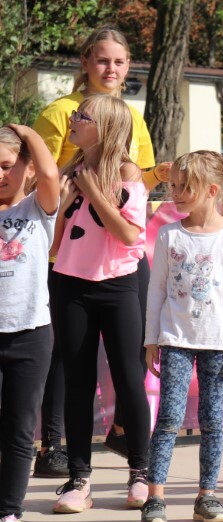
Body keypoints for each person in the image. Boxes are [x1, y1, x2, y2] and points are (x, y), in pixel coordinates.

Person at [31, 26, 171, 478]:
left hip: (119, 260)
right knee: (66, 358)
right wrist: (71, 197)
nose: (111, 69)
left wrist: (154, 176)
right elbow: (39, 176)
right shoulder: (60, 111)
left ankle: (133, 449)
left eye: (120, 61)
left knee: (132, 360)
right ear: (86, 62)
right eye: (103, 60)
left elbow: (133, 185)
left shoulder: (130, 116)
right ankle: (55, 447)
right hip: (70, 258)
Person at [138, 151, 223, 522]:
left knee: (212, 421)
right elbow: (156, 290)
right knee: (168, 418)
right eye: (173, 186)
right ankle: (155, 497)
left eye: (184, 187)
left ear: (212, 190)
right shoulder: (169, 234)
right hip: (175, 339)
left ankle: (207, 495)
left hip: (218, 344)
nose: (175, 193)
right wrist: (151, 339)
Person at [50, 95, 153, 513]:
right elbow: (53, 244)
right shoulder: (67, 172)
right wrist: (62, 201)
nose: (73, 120)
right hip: (71, 283)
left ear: (106, 128)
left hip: (119, 285)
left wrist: (93, 192)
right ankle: (79, 478)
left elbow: (129, 235)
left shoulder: (127, 173)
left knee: (129, 378)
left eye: (83, 116)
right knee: (77, 381)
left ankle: (141, 471)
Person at [0, 125, 60, 522]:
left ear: (27, 169)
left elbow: (52, 174)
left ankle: (9, 519)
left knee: (20, 432)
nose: (0, 175)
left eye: (7, 165)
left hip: (30, 335)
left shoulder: (39, 209)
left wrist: (26, 132)